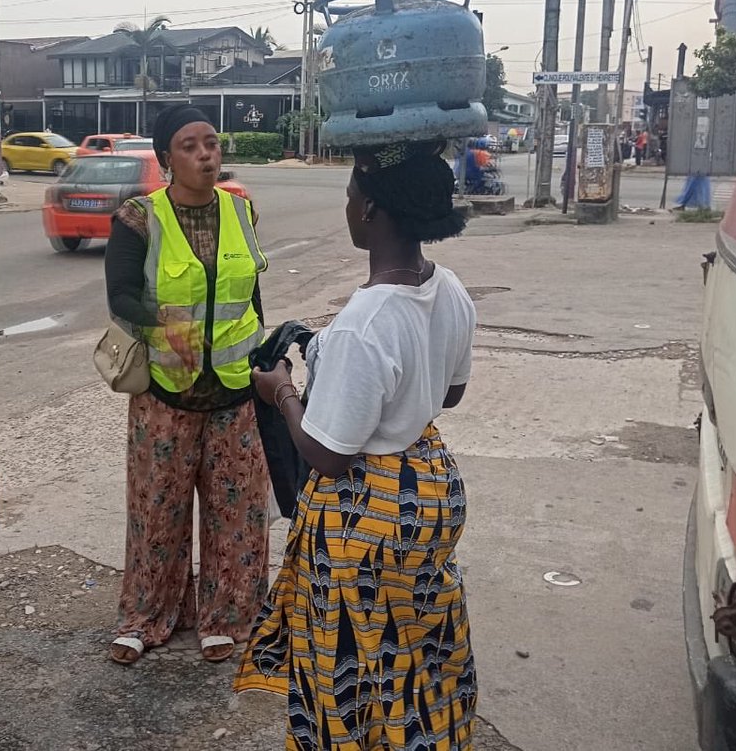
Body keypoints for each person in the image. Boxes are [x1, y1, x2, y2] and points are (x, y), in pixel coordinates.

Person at [235, 143, 479, 751]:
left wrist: (283, 392)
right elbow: (450, 393)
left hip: (364, 512)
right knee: (415, 648)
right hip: (428, 489)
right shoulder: (448, 289)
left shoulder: (365, 322)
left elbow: (327, 454)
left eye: (349, 196)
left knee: (348, 654)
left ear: (370, 209)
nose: (346, 206)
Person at [104, 105, 270, 666]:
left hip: (237, 392)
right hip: (164, 395)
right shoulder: (138, 217)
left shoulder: (242, 209)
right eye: (190, 146)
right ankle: (146, 616)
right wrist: (158, 326)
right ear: (165, 158)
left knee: (236, 512)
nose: (205, 154)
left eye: (212, 143)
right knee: (158, 510)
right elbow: (120, 294)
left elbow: (249, 292)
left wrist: (267, 357)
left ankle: (227, 615)